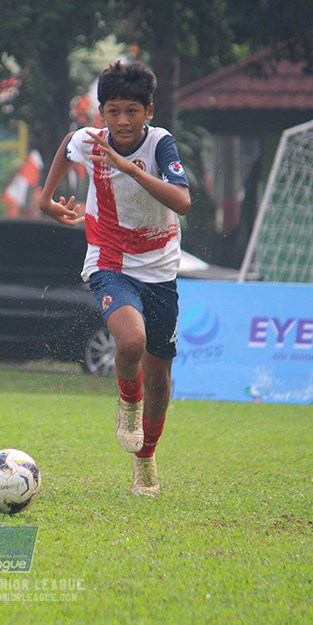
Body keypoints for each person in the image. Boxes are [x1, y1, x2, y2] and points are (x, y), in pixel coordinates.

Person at [38, 60, 191, 497]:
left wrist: (129, 168)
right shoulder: (89, 142)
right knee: (130, 342)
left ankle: (146, 459)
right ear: (102, 113)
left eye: (132, 111)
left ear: (149, 111)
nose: (123, 121)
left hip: (161, 270)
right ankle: (128, 403)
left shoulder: (161, 144)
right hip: (110, 262)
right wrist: (47, 200)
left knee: (160, 377)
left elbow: (182, 201)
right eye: (114, 111)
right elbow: (67, 146)